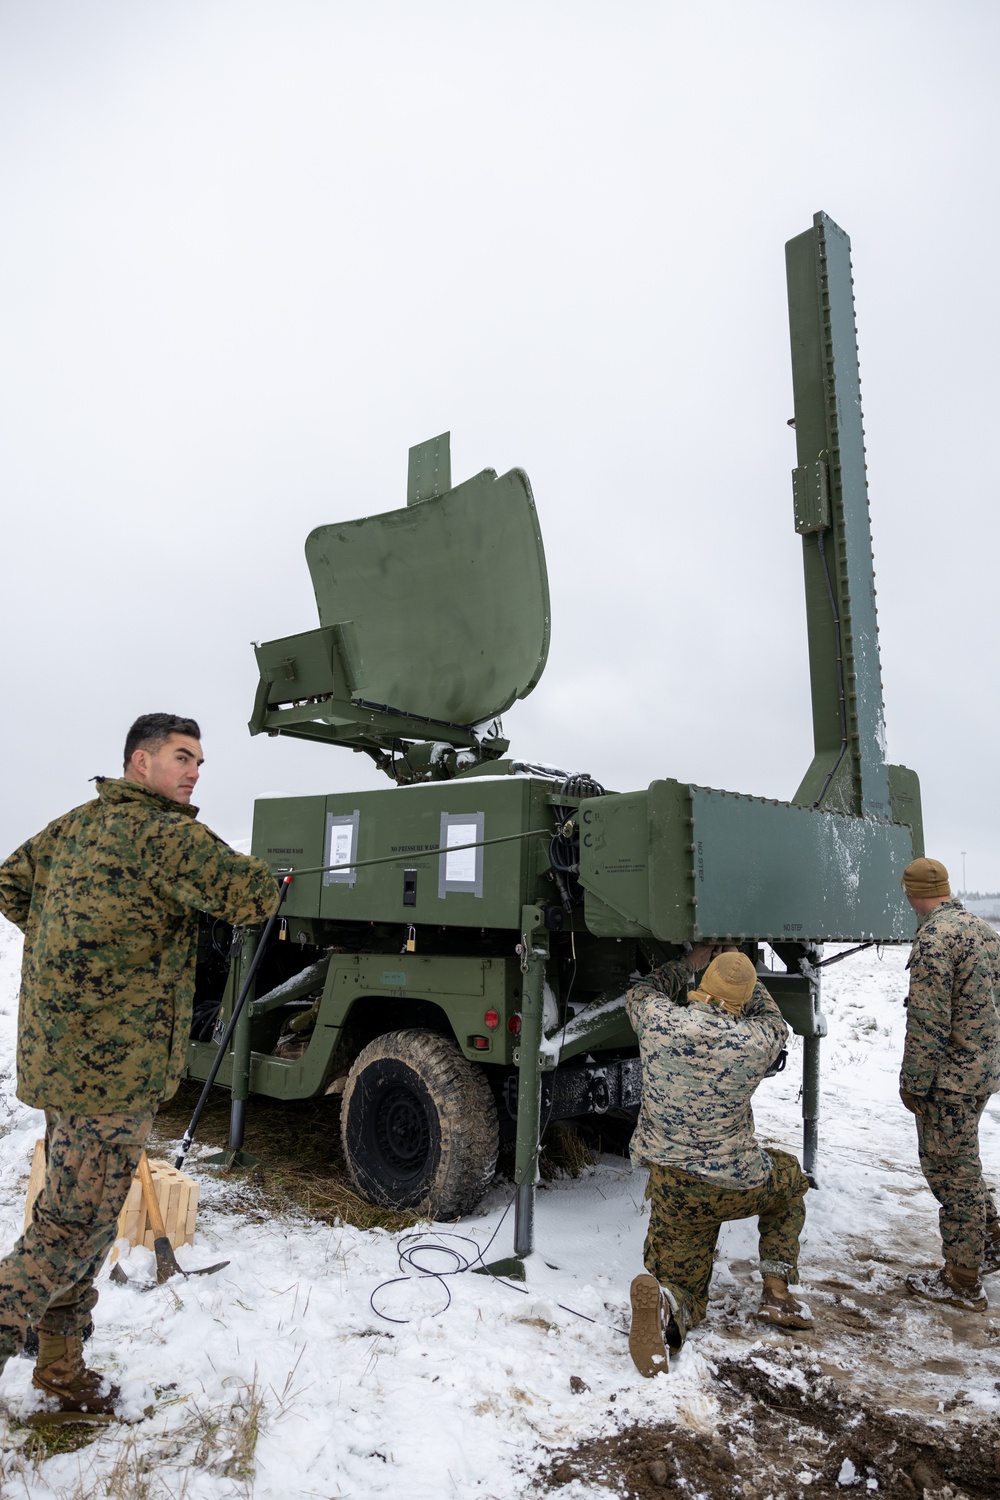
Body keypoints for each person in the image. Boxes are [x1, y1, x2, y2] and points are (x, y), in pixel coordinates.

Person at [0, 713, 279, 1420]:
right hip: (110, 1079)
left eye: (200, 762)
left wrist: (78, 937)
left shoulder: (72, 828)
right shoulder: (166, 835)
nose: (193, 772)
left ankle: (61, 1372)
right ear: (139, 763)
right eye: (182, 758)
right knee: (70, 1227)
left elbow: (8, 885)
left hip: (57, 1064)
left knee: (80, 1221)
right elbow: (253, 896)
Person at [625, 947, 811, 1376]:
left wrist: (691, 964)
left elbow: (645, 991)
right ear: (743, 999)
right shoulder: (756, 1040)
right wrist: (744, 971)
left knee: (685, 1285)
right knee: (790, 1183)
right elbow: (772, 1018)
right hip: (734, 1183)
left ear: (705, 986)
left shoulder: (658, 1021)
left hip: (673, 1187)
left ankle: (670, 1306)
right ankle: (778, 1294)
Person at [897, 857, 1000, 1312]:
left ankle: (962, 1281)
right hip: (980, 1073)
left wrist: (914, 1083)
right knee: (965, 1163)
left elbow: (928, 1021)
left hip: (948, 1081)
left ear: (910, 893)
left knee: (950, 1173)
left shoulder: (935, 939)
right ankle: (991, 1240)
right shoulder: (982, 931)